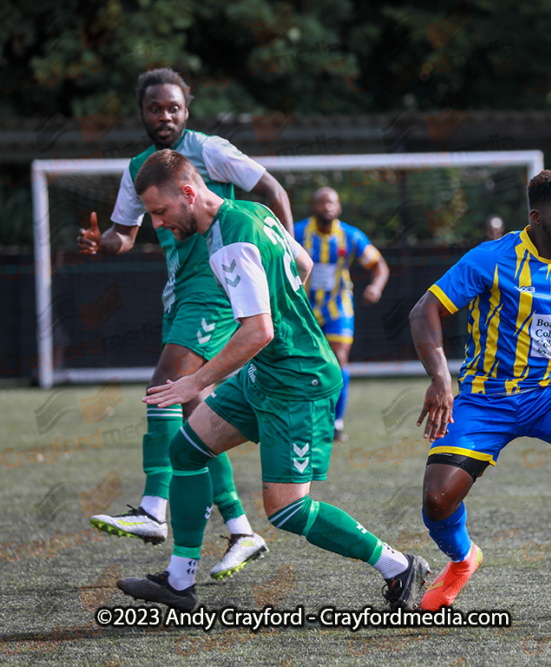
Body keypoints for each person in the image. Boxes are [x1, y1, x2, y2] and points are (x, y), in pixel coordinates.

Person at [116, 150, 429, 611]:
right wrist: (285, 315)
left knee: (287, 509)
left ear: (188, 193)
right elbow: (300, 264)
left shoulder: (227, 242)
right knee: (185, 449)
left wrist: (193, 382)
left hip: (297, 382)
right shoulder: (253, 211)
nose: (158, 224)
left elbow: (258, 330)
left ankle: (400, 566)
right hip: (266, 373)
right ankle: (179, 584)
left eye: (160, 212)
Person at [78, 68, 294, 579]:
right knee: (198, 415)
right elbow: (123, 235)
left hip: (216, 289)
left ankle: (155, 508)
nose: (165, 116)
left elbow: (271, 189)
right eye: (156, 108)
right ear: (143, 112)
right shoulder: (139, 170)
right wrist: (100, 244)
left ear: (186, 108)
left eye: (173, 107)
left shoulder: (212, 149)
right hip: (180, 294)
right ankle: (241, 529)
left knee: (164, 386)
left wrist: (287, 256)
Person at [408, 169, 551, 616]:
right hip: (484, 397)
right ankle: (462, 561)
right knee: (437, 501)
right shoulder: (490, 258)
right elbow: (426, 312)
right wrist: (440, 379)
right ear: (536, 217)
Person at [294, 188, 389, 442]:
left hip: (338, 306)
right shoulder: (298, 232)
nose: (327, 206)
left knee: (339, 359)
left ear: (339, 207)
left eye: (332, 202)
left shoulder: (350, 236)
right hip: (304, 307)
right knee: (303, 362)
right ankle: (303, 419)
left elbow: (379, 266)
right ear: (313, 207)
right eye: (322, 202)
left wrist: (375, 286)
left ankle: (336, 422)